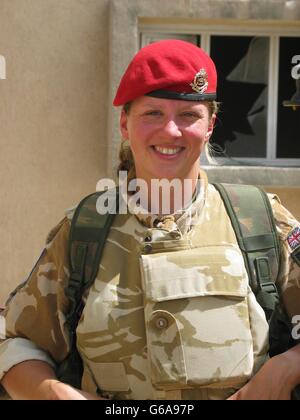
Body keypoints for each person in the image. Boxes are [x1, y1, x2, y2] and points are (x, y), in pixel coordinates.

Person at [0, 39, 300, 401]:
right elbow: (15, 340)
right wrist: (53, 393)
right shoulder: (85, 233)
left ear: (210, 126)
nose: (171, 131)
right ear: (125, 124)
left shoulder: (259, 222)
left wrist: (287, 368)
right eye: (152, 113)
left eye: (188, 115)